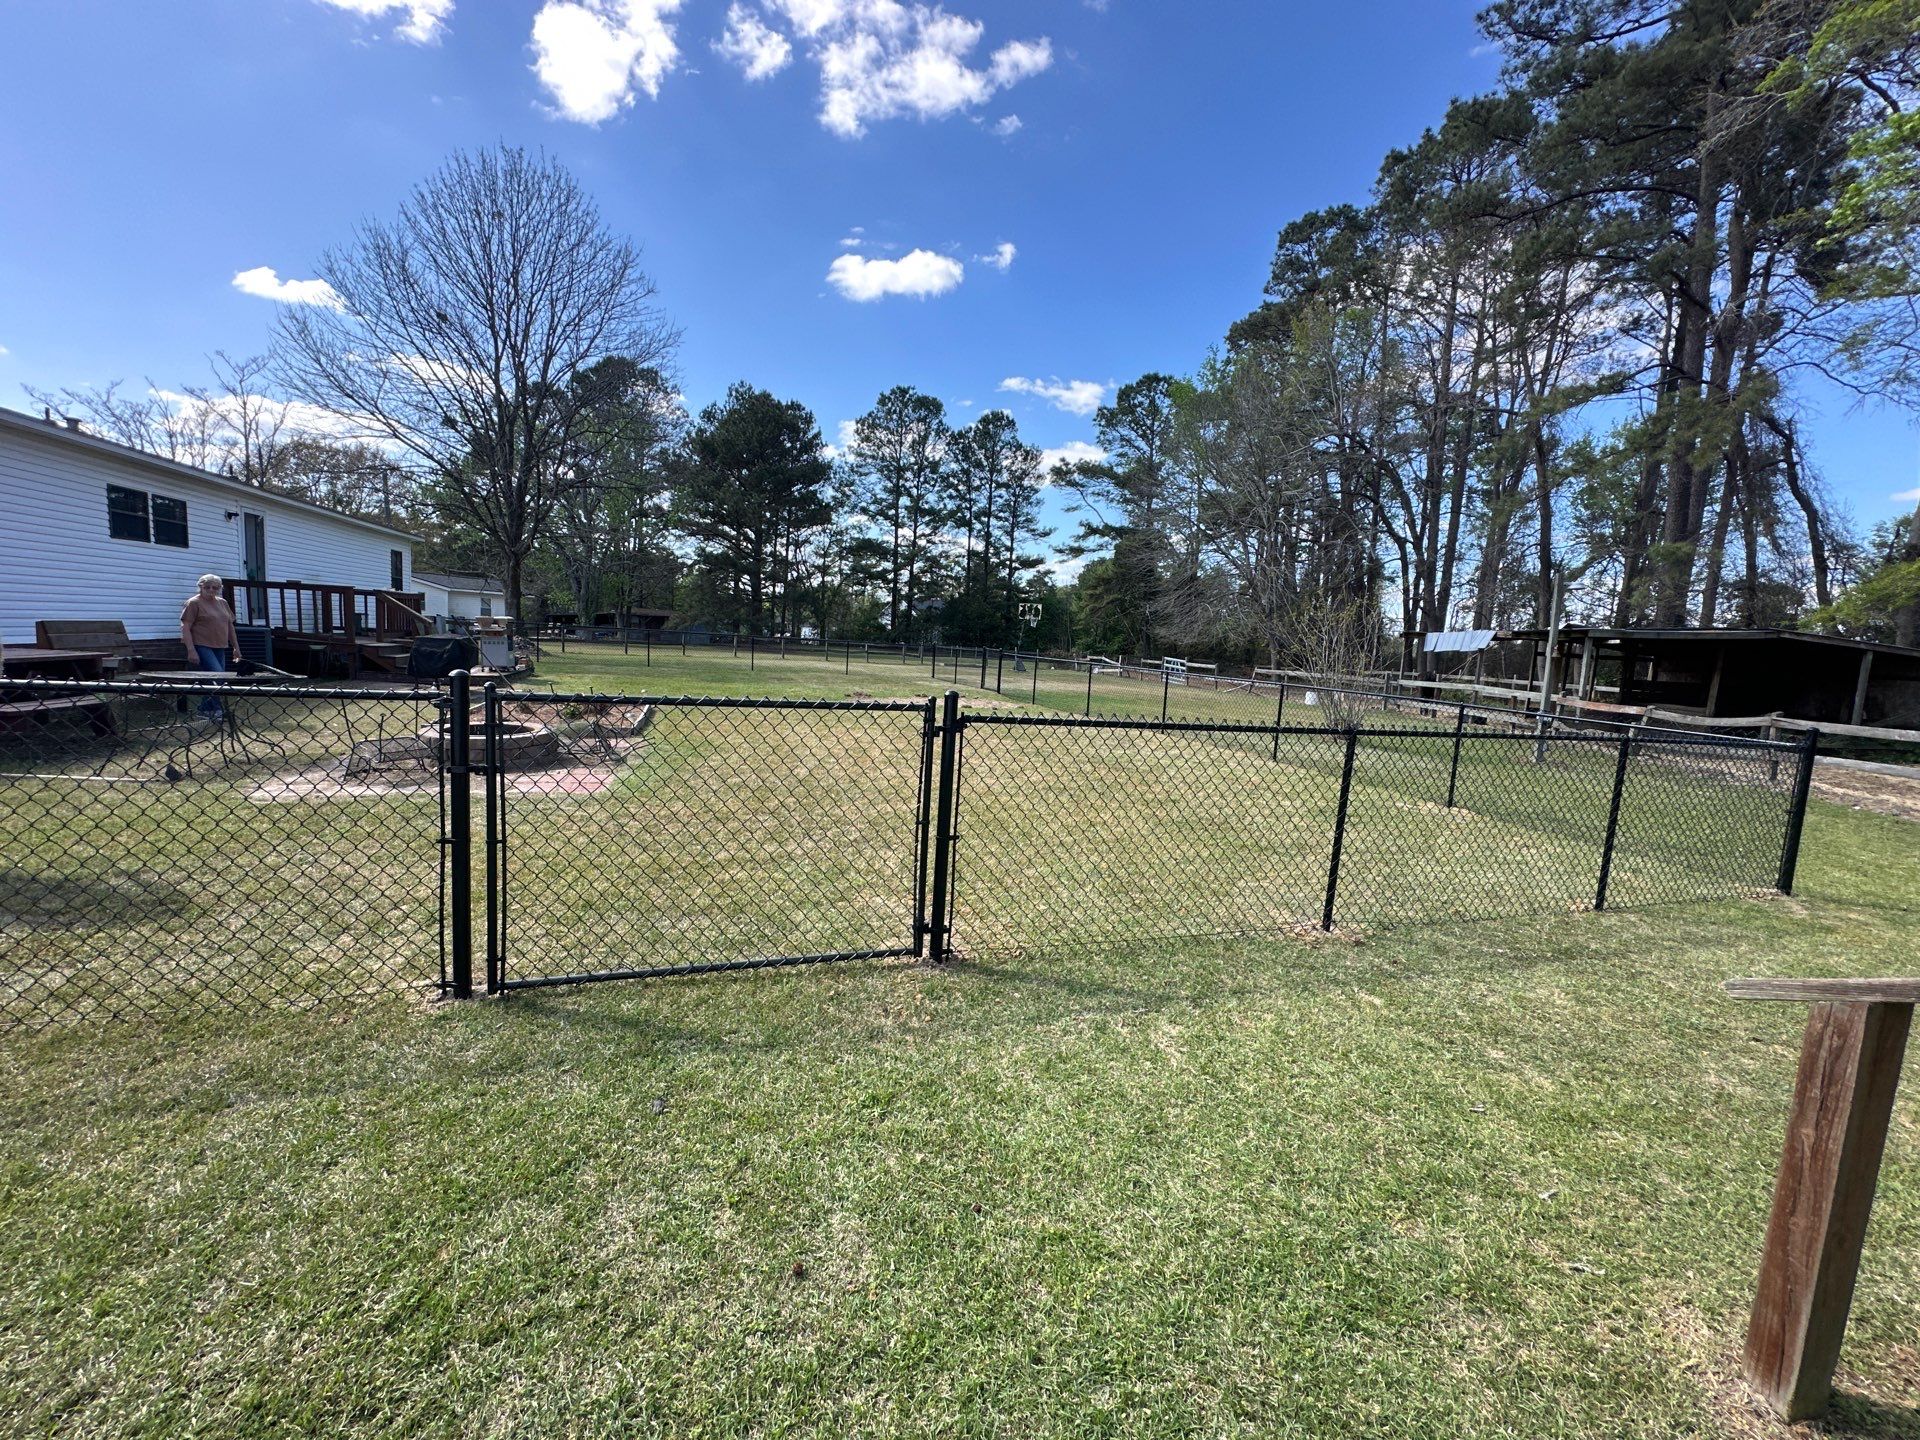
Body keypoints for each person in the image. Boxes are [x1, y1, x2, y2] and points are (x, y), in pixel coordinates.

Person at [180, 575, 241, 719]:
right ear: (200, 587)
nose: (211, 590)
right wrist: (191, 650)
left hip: (220, 645)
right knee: (217, 675)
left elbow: (230, 626)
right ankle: (217, 710)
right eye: (207, 587)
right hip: (201, 645)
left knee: (215, 677)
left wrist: (236, 648)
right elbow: (185, 626)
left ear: (219, 589)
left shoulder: (222, 603)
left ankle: (205, 710)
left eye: (215, 587)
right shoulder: (193, 603)